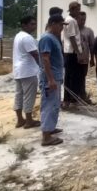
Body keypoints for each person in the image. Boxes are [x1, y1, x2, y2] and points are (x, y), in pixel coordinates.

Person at [39, 14, 65, 146]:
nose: (62, 28)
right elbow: (45, 59)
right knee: (49, 105)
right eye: (61, 25)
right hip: (50, 78)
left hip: (56, 76)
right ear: (53, 24)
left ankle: (50, 128)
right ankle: (46, 136)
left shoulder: (53, 37)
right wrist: (50, 79)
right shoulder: (47, 38)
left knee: (55, 105)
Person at [12, 15, 41, 129]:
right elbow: (35, 54)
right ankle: (29, 120)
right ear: (24, 25)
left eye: (34, 24)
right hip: (28, 71)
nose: (34, 26)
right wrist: (42, 67)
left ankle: (20, 119)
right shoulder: (27, 38)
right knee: (29, 96)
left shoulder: (18, 36)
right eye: (32, 24)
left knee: (19, 95)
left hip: (18, 70)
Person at [62, 1, 85, 107]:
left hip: (70, 52)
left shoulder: (70, 20)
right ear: (72, 10)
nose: (79, 12)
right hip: (72, 52)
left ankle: (71, 99)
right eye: (77, 9)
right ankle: (70, 100)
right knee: (72, 77)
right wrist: (78, 53)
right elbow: (72, 37)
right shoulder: (71, 21)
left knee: (72, 76)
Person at [77, 11, 96, 98]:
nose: (83, 21)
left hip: (84, 59)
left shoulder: (89, 31)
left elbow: (92, 46)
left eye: (84, 19)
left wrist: (92, 58)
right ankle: (76, 95)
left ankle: (82, 94)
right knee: (75, 77)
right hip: (74, 58)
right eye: (81, 19)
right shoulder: (73, 31)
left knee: (82, 77)